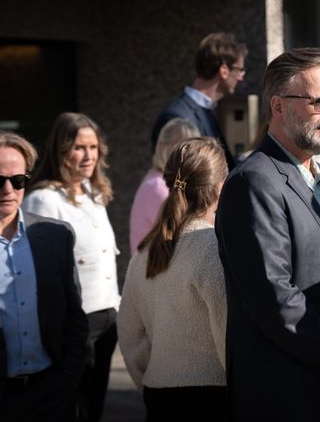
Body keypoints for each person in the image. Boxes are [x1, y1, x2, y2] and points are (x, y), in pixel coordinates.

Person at [215, 47, 320, 422]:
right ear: (278, 107)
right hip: (284, 392)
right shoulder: (253, 182)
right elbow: (273, 296)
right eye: (319, 102)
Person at [0, 129, 87, 421]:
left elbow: (73, 316)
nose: (8, 190)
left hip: (51, 395)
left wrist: (67, 376)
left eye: (18, 180)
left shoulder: (56, 235)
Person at [118, 137, 229, 421]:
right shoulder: (213, 248)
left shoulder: (145, 251)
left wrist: (149, 377)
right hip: (212, 394)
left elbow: (130, 336)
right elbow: (229, 334)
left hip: (158, 392)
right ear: (221, 187)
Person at [23, 113, 120, 422]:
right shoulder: (44, 200)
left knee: (95, 404)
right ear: (62, 150)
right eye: (79, 147)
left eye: (93, 147)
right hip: (77, 322)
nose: (88, 155)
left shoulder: (94, 194)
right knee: (72, 405)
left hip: (107, 317)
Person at [151, 32, 248, 170]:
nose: (241, 77)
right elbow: (179, 178)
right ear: (224, 71)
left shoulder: (205, 110)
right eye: (240, 70)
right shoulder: (178, 117)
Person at [129, 118, 200, 255]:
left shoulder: (165, 181)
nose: (189, 152)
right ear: (163, 146)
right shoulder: (159, 187)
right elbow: (183, 239)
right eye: (182, 145)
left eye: (193, 145)